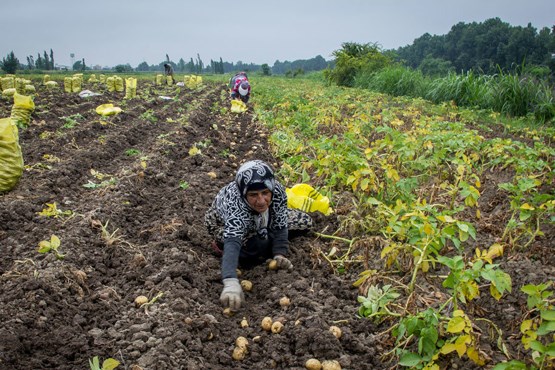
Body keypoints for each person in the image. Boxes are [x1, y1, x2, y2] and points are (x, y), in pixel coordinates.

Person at [205, 160, 313, 310]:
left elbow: (281, 224)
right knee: (255, 249)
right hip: (222, 224)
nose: (261, 200)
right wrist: (230, 281)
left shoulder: (277, 191)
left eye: (265, 193)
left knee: (304, 222)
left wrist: (280, 254)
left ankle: (264, 234)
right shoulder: (236, 204)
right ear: (244, 193)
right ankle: (220, 245)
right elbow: (233, 242)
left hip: (262, 217)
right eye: (254, 195)